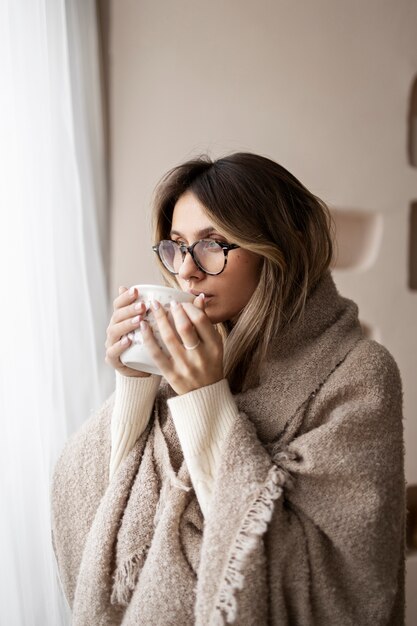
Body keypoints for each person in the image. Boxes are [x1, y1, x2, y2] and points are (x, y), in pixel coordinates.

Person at [51, 153, 405, 625]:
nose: (188, 272)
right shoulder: (194, 353)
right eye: (177, 246)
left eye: (214, 245)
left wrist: (206, 399)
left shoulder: (359, 373)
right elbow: (108, 507)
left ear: (279, 247)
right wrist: (135, 383)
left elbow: (335, 580)